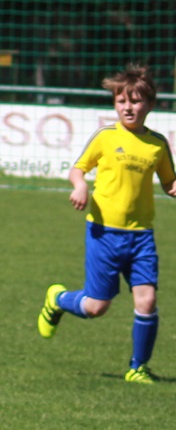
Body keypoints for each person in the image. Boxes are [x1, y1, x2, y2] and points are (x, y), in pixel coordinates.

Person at [37, 64, 176, 383]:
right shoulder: (105, 136)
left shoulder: (157, 144)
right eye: (121, 101)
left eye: (136, 101)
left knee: (148, 300)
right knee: (96, 307)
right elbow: (78, 169)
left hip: (142, 236)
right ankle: (56, 299)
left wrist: (173, 188)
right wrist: (80, 185)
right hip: (104, 233)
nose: (128, 107)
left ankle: (137, 367)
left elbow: (169, 182)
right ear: (115, 104)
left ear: (150, 104)